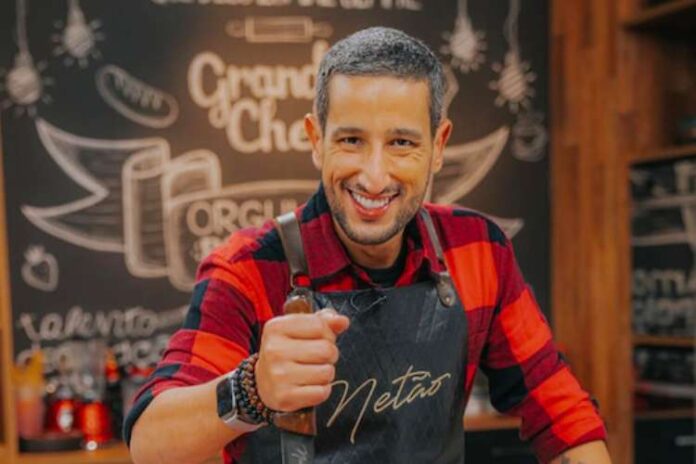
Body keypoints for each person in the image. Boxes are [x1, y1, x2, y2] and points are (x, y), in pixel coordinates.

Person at [125, 27, 611, 464]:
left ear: (439, 146)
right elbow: (150, 443)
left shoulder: (479, 250)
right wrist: (252, 389)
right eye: (351, 140)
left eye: (402, 143)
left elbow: (559, 410)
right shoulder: (249, 267)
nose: (375, 177)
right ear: (316, 139)